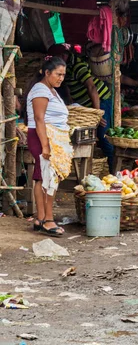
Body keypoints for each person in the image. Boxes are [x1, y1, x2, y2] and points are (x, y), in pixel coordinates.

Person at [23, 57, 71, 236]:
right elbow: (38, 118)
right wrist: (45, 146)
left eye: (63, 75)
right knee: (48, 177)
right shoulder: (40, 90)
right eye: (58, 74)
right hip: (43, 136)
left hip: (51, 137)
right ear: (47, 72)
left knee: (43, 177)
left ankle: (40, 219)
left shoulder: (50, 90)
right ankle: (48, 220)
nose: (61, 78)